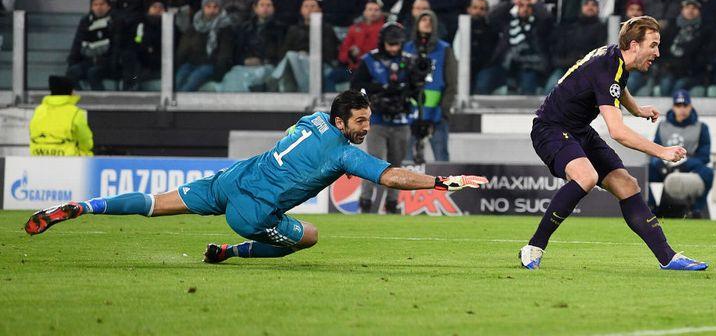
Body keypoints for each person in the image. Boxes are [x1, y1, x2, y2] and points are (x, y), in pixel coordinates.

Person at [24, 91, 489, 262]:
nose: (367, 128)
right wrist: (444, 182)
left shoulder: (314, 119)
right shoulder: (344, 155)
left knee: (155, 203)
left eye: (369, 120)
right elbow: (391, 177)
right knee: (309, 235)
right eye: (361, 121)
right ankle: (228, 251)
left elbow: (295, 135)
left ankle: (83, 206)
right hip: (252, 210)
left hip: (233, 177)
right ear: (342, 122)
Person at [519, 15, 708, 271]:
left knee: (627, 185)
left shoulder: (616, 60)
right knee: (586, 177)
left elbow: (618, 86)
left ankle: (668, 258)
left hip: (579, 130)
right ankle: (534, 247)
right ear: (634, 46)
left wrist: (637, 110)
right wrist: (661, 151)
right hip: (550, 128)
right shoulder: (607, 69)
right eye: (653, 45)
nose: (658, 53)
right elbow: (618, 132)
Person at [350, 24, 414, 213]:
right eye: (390, 44)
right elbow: (356, 84)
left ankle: (392, 203)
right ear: (383, 42)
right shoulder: (370, 60)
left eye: (397, 44)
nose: (393, 48)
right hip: (377, 119)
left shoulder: (409, 60)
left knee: (397, 164)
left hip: (401, 119)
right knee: (374, 162)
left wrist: (404, 91)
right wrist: (381, 89)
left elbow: (416, 87)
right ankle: (365, 200)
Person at [403, 10, 457, 163]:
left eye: (430, 20)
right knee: (406, 161)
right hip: (410, 113)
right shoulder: (406, 49)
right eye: (423, 19)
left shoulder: (445, 49)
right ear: (417, 24)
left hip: (437, 113)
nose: (427, 23)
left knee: (441, 159)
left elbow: (451, 83)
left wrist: (444, 110)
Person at [649, 90, 713, 219]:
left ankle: (696, 209)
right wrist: (663, 160)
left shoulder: (701, 127)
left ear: (690, 106)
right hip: (665, 165)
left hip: (689, 167)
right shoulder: (662, 125)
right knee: (645, 170)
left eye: (685, 105)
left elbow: (704, 156)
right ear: (673, 107)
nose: (682, 109)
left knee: (708, 173)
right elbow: (654, 149)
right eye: (678, 105)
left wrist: (684, 162)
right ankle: (651, 207)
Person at [476, 0, 552, 95]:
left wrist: (536, 3)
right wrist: (512, 2)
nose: (525, 9)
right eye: (521, 5)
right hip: (504, 63)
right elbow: (491, 16)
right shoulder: (508, 22)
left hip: (529, 65)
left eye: (529, 6)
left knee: (528, 86)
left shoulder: (538, 26)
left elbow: (547, 18)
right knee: (484, 79)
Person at [175, 0, 235, 91]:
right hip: (192, 62)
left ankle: (181, 101)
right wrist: (180, 63)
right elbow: (184, 48)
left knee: (193, 80)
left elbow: (225, 53)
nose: (212, 10)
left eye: (215, 7)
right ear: (203, 8)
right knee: (180, 77)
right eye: (208, 6)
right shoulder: (195, 25)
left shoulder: (225, 27)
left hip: (210, 64)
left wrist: (219, 71)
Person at [66, 0, 120, 91]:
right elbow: (77, 43)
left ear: (109, 6)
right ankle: (81, 98)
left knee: (93, 73)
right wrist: (72, 62)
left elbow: (116, 47)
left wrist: (109, 62)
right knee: (72, 72)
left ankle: (100, 99)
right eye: (95, 4)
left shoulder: (115, 21)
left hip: (108, 63)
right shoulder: (86, 21)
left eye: (102, 4)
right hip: (89, 61)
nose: (98, 7)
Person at [656, 0, 709, 96]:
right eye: (687, 7)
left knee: (679, 86)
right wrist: (666, 64)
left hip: (691, 72)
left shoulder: (704, 30)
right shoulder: (672, 26)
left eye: (694, 8)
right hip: (670, 69)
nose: (690, 11)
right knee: (665, 85)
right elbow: (661, 49)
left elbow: (703, 56)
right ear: (682, 10)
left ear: (699, 11)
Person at [29, 76, 94, 157]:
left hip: (38, 156)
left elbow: (32, 133)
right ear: (70, 92)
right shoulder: (75, 112)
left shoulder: (38, 110)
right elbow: (86, 141)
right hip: (66, 158)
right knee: (88, 154)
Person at [453, 0, 497, 89]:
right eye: (475, 7)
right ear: (469, 9)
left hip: (484, 67)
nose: (478, 11)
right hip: (463, 66)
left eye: (482, 9)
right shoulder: (459, 27)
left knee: (482, 87)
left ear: (487, 11)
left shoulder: (492, 29)